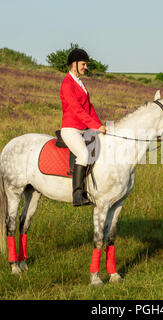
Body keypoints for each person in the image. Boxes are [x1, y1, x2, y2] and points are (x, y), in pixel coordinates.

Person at [60, 48, 107, 206]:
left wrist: (99, 125)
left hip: (83, 129)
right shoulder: (67, 84)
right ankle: (77, 195)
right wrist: (93, 125)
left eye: (86, 64)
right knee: (83, 154)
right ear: (74, 64)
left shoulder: (80, 83)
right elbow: (76, 109)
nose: (85, 67)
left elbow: (89, 107)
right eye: (83, 64)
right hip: (71, 129)